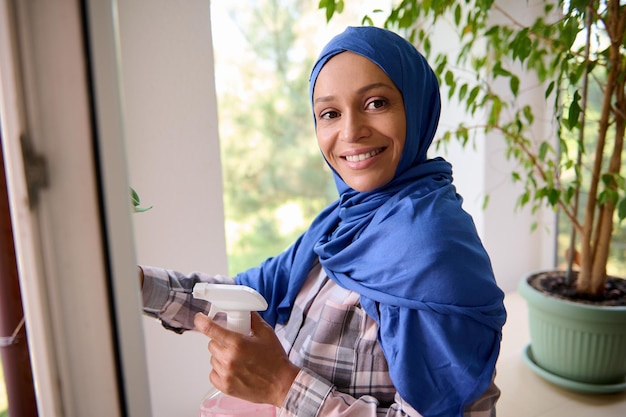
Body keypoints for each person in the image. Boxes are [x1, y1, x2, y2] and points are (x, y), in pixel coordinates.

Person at [140, 26, 507, 417]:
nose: (351, 131)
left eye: (376, 102)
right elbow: (248, 295)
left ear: (416, 107)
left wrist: (282, 385)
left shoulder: (435, 251)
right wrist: (137, 286)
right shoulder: (339, 223)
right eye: (329, 113)